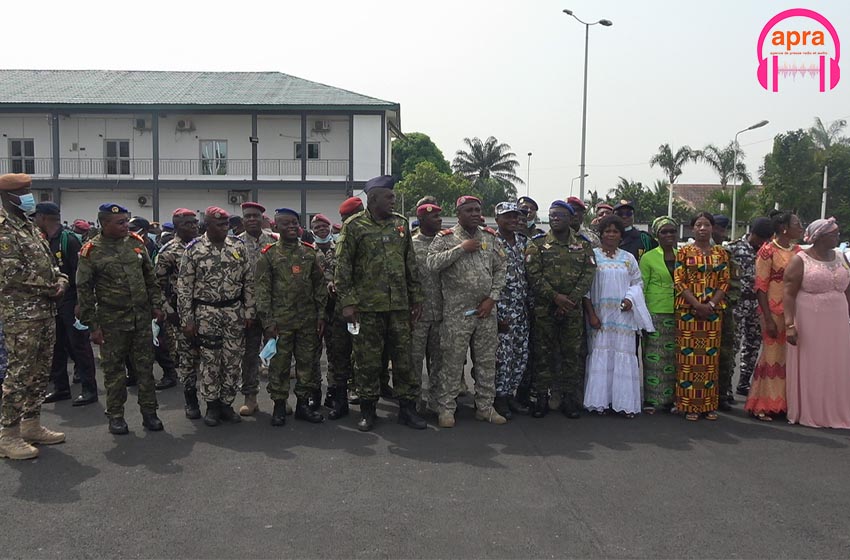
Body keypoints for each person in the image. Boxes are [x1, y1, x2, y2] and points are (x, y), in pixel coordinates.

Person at [334, 175, 426, 432]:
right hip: (367, 309)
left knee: (403, 359)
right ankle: (367, 410)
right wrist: (348, 303)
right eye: (389, 197)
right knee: (367, 361)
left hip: (398, 306)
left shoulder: (400, 224)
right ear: (373, 199)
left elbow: (410, 264)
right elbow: (343, 269)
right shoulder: (353, 226)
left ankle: (407, 409)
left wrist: (416, 298)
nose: (393, 200)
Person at [77, 203, 164, 435]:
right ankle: (116, 415)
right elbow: (84, 290)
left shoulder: (136, 243)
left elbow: (150, 277)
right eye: (120, 222)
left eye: (126, 221)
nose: (126, 225)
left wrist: (157, 304)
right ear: (104, 224)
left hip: (140, 318)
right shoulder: (91, 251)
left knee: (145, 368)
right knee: (114, 371)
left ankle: (150, 413)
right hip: (112, 321)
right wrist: (93, 326)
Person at [0, 174, 68, 459]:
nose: (29, 197)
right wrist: (49, 287)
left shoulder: (28, 227)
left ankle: (31, 424)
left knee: (40, 371)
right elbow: (10, 272)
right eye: (24, 192)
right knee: (19, 373)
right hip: (21, 314)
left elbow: (51, 265)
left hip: (44, 311)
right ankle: (7, 434)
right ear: (8, 196)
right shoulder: (4, 229)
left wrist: (61, 280)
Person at [427, 196, 508, 428]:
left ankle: (485, 407)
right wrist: (460, 249)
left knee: (485, 361)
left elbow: (502, 268)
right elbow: (432, 263)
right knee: (451, 362)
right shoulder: (446, 238)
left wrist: (492, 298)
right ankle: (446, 409)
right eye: (469, 210)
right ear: (458, 213)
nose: (475, 213)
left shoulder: (490, 237)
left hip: (485, 311)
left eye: (477, 210)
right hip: (457, 313)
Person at [178, 207, 254, 427]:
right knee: (211, 361)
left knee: (232, 360)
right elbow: (184, 288)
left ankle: (226, 404)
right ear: (207, 226)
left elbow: (248, 281)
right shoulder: (194, 249)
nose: (225, 228)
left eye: (226, 224)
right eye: (219, 225)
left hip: (234, 312)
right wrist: (187, 320)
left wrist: (249, 311)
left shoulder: (238, 247)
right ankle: (211, 405)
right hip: (206, 313)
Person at [525, 200, 596, 419]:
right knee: (542, 354)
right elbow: (533, 275)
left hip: (572, 310)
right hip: (544, 308)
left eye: (561, 216)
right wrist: (556, 298)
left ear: (571, 219)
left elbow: (588, 274)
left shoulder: (583, 245)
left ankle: (569, 399)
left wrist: (570, 300)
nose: (555, 219)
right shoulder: (537, 243)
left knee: (570, 355)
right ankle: (541, 399)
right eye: (552, 215)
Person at [256, 208, 327, 426]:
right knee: (279, 365)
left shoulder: (309, 253)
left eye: (295, 223)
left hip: (307, 320)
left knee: (307, 363)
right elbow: (262, 291)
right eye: (286, 224)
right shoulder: (268, 255)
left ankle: (303, 405)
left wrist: (321, 315)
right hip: (280, 323)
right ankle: (279, 405)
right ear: (276, 227)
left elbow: (319, 287)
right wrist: (267, 322)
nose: (291, 227)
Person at [583, 215, 654, 417]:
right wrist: (591, 314)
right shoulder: (592, 256)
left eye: (615, 231)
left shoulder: (628, 258)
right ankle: (600, 403)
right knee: (601, 355)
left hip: (623, 316)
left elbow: (637, 283)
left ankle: (623, 404)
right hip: (600, 316)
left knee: (622, 355)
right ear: (601, 234)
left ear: (621, 235)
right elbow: (585, 289)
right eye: (607, 231)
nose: (611, 234)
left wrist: (631, 299)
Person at [783, 218, 850, 429]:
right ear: (819, 237)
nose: (837, 237)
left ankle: (837, 409)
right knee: (814, 364)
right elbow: (788, 294)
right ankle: (812, 410)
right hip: (809, 319)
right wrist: (790, 325)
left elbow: (848, 289)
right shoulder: (800, 260)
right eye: (833, 234)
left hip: (838, 319)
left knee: (837, 364)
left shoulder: (841, 257)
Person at [33, 203, 98, 407]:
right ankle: (61, 388)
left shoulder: (68, 240)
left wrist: (81, 302)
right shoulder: (45, 240)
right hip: (54, 301)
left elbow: (82, 273)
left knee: (79, 345)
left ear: (43, 218)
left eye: (36, 217)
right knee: (56, 346)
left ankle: (89, 389)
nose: (34, 221)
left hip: (70, 300)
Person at [744, 212, 802, 421]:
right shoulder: (767, 251)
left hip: (795, 310)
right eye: (797, 224)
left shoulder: (799, 252)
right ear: (784, 228)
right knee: (771, 356)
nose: (801, 228)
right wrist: (767, 318)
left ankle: (784, 403)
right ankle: (763, 403)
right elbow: (760, 286)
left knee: (790, 359)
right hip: (772, 310)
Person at [673, 212, 730, 421]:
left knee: (709, 360)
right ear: (692, 228)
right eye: (699, 225)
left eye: (707, 225)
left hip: (713, 313)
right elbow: (679, 280)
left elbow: (724, 281)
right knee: (688, 359)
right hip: (688, 311)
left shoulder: (721, 253)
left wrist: (711, 304)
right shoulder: (684, 252)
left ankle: (708, 405)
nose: (703, 229)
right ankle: (688, 405)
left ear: (712, 228)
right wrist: (696, 304)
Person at [154, 208, 201, 418]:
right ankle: (191, 401)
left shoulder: (203, 246)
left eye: (194, 223)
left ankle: (216, 401)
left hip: (207, 311)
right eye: (187, 224)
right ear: (176, 226)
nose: (193, 227)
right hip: (182, 313)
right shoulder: (168, 251)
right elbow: (157, 286)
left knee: (211, 359)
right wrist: (169, 312)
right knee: (188, 360)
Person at [237, 201, 277, 416]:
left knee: (277, 354)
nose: (251, 219)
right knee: (249, 355)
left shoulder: (273, 242)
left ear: (263, 219)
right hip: (247, 311)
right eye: (247, 216)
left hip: (272, 308)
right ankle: (250, 398)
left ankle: (277, 398)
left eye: (255, 216)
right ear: (243, 220)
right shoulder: (234, 244)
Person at [727, 217, 775, 396]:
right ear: (752, 234)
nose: (764, 242)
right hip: (737, 304)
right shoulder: (733, 248)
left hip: (759, 305)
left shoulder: (769, 251)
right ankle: (726, 388)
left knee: (753, 345)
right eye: (761, 238)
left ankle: (744, 382)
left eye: (767, 239)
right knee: (733, 346)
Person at [492, 201, 531, 419]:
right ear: (497, 219)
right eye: (508, 217)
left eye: (516, 216)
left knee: (519, 354)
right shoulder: (490, 242)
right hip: (501, 309)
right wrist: (496, 313)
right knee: (502, 357)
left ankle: (511, 395)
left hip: (521, 309)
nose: (513, 220)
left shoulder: (524, 243)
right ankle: (499, 397)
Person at [639, 216, 679, 413]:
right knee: (653, 357)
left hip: (679, 312)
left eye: (672, 231)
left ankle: (671, 399)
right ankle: (652, 400)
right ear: (657, 235)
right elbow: (642, 287)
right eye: (664, 232)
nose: (669, 235)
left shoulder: (683, 255)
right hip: (655, 312)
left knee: (673, 357)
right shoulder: (648, 257)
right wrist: (642, 315)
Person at [410, 202, 443, 415]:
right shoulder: (410, 245)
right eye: (434, 217)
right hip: (418, 314)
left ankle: (436, 401)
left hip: (441, 311)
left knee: (439, 361)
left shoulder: (447, 243)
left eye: (440, 216)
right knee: (413, 359)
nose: (439, 220)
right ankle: (412, 401)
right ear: (421, 220)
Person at [308, 212, 341, 412]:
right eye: (317, 227)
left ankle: (333, 392)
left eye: (324, 226)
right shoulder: (307, 251)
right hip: (313, 310)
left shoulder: (339, 250)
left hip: (335, 309)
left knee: (335, 353)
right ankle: (314, 393)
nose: (321, 229)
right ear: (312, 230)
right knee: (313, 353)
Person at [712, 214, 738, 409]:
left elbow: (734, 283)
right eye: (718, 229)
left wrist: (724, 302)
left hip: (723, 309)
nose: (721, 233)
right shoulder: (692, 251)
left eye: (723, 229)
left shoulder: (726, 252)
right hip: (698, 308)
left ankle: (721, 393)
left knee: (725, 352)